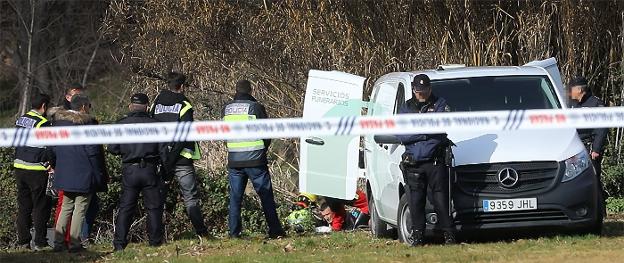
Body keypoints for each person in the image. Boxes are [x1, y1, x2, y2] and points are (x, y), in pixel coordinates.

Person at [396, 74, 455, 246]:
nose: (421, 94)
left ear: (430, 89)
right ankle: (418, 236)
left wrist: (416, 130)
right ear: (414, 90)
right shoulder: (406, 107)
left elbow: (440, 128)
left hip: (435, 162)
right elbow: (402, 135)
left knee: (441, 200)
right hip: (414, 163)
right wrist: (424, 132)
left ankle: (449, 235)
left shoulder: (440, 104)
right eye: (418, 91)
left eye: (424, 91)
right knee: (416, 201)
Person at [222, 79, 285, 239]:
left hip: (235, 161)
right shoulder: (255, 107)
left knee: (235, 198)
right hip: (256, 160)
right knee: (266, 197)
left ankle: (234, 233)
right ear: (251, 91)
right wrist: (262, 148)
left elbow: (223, 135)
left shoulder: (226, 109)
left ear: (235, 90)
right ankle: (275, 231)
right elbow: (266, 134)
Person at [151, 72, 208, 236]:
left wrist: (165, 159)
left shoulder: (157, 103)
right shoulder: (184, 104)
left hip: (161, 158)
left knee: (158, 199)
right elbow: (184, 135)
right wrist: (172, 157)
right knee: (190, 198)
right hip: (182, 158)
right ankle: (202, 233)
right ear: (182, 86)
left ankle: (156, 237)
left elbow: (151, 128)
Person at [108, 93, 165, 251]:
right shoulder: (155, 124)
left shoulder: (121, 124)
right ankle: (155, 242)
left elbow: (112, 149)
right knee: (153, 208)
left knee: (126, 207)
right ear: (147, 106)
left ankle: (119, 243)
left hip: (130, 169)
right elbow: (163, 150)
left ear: (130, 106)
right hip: (150, 169)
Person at [51, 94, 106, 252]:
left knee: (66, 207)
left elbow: (52, 149)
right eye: (89, 106)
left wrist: (57, 165)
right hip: (84, 172)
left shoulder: (58, 123)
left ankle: (58, 243)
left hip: (64, 171)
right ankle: (75, 244)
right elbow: (93, 152)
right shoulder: (87, 124)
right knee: (80, 208)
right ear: (83, 107)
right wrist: (99, 173)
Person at [13, 93, 53, 250]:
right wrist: (49, 164)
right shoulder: (43, 123)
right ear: (44, 106)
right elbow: (49, 148)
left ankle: (23, 242)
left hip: (19, 168)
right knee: (40, 207)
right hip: (36, 169)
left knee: (24, 207)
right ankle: (41, 242)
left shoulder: (21, 119)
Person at [568, 76, 608, 215]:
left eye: (571, 89)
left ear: (580, 90)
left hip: (590, 148)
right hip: (575, 148)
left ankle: (601, 213)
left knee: (594, 179)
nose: (569, 92)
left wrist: (596, 149)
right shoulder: (571, 105)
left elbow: (602, 129)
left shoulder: (596, 104)